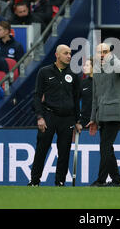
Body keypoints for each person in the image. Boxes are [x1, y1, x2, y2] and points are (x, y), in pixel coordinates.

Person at [28, 44, 82, 187]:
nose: (69, 56)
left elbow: (76, 99)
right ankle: (34, 181)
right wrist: (39, 116)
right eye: (66, 53)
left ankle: (60, 182)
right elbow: (37, 96)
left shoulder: (74, 74)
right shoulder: (44, 72)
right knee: (41, 149)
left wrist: (78, 120)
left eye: (70, 53)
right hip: (49, 116)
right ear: (57, 55)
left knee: (64, 152)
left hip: (68, 118)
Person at [87, 42, 120, 187]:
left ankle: (101, 180)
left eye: (105, 51)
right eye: (99, 52)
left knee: (105, 147)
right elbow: (95, 97)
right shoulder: (96, 69)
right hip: (102, 115)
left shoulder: (113, 62)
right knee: (107, 148)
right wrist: (93, 119)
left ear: (109, 53)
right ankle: (116, 181)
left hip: (114, 113)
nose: (102, 54)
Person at [80, 57, 93, 127]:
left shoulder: (101, 83)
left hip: (98, 121)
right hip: (84, 121)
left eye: (87, 65)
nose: (84, 67)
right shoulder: (82, 83)